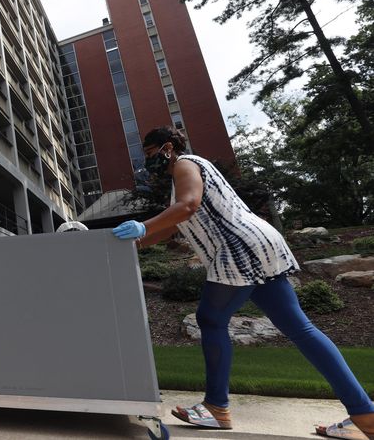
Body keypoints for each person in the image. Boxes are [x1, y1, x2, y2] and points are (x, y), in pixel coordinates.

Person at [111, 127, 374, 439]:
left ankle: (216, 406)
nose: (148, 162)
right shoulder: (185, 174)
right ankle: (364, 413)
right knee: (300, 329)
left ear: (167, 148)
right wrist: (128, 243)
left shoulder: (184, 164)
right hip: (258, 245)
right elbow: (172, 227)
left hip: (239, 248)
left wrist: (142, 225)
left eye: (150, 154)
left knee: (210, 318)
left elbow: (189, 205)